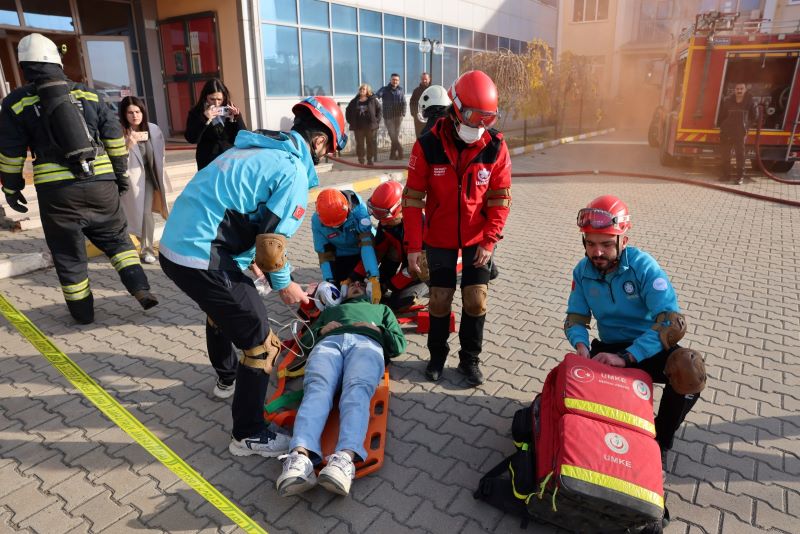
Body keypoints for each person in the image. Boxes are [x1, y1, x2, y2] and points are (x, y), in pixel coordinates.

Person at [159, 95, 348, 457]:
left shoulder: (254, 149)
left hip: (177, 246)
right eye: (328, 149)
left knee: (229, 309)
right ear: (321, 141)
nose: (324, 157)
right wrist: (287, 287)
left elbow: (238, 212)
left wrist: (254, 265)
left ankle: (226, 379)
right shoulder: (292, 169)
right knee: (263, 344)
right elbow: (271, 246)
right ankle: (248, 434)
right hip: (202, 253)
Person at [0, 33, 158, 324]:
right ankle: (140, 289)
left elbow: (10, 153)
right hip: (101, 184)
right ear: (58, 62)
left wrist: (11, 187)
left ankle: (83, 315)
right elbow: (114, 139)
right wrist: (120, 174)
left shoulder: (16, 102)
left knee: (68, 255)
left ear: (24, 67)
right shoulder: (89, 94)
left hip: (58, 195)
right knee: (118, 241)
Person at [564, 194, 706, 476]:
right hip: (607, 349)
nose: (598, 253)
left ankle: (660, 441)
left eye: (606, 244)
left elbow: (671, 322)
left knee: (689, 367)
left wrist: (629, 356)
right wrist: (580, 345)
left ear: (623, 241)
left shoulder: (643, 267)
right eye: (591, 243)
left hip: (647, 349)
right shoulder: (582, 271)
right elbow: (576, 318)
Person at [403, 70, 512, 386]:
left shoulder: (495, 147)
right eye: (474, 117)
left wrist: (490, 241)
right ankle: (436, 357)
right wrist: (413, 247)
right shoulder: (427, 146)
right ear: (456, 107)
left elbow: (500, 198)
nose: (479, 127)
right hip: (439, 237)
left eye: (487, 120)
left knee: (476, 298)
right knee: (439, 298)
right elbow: (412, 199)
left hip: (479, 238)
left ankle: (470, 360)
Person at [276, 279, 407, 497]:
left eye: (361, 283)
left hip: (367, 343)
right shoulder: (331, 311)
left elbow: (398, 345)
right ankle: (300, 457)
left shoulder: (382, 309)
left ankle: (344, 460)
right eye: (351, 283)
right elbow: (306, 341)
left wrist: (377, 329)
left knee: (356, 391)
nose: (356, 284)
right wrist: (320, 331)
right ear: (343, 292)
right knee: (317, 390)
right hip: (329, 343)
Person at [357, 180, 428, 312]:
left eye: (383, 214)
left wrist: (388, 285)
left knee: (398, 303)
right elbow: (377, 252)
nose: (380, 220)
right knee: (378, 293)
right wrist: (356, 276)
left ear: (399, 208)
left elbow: (416, 269)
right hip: (407, 257)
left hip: (426, 267)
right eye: (376, 212)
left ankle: (427, 288)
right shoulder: (386, 222)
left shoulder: (421, 224)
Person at [118, 96, 172, 264]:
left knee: (146, 213)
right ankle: (127, 245)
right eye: (130, 112)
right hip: (131, 180)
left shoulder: (153, 130)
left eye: (137, 111)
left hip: (151, 178)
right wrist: (128, 145)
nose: (135, 115)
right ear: (124, 115)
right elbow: (116, 160)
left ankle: (147, 249)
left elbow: (160, 154)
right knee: (133, 214)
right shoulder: (119, 133)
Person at [312, 188, 382, 304]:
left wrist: (374, 278)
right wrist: (330, 283)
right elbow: (324, 254)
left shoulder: (359, 211)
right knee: (340, 292)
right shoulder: (317, 221)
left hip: (363, 251)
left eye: (340, 223)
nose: (337, 227)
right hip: (341, 254)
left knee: (366, 288)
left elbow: (366, 244)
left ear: (347, 210)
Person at [184, 78, 247, 170]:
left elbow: (243, 136)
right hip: (207, 160)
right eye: (212, 99)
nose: (216, 103)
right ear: (205, 97)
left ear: (224, 97)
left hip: (229, 158)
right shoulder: (196, 112)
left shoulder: (230, 110)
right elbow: (192, 138)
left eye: (219, 99)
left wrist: (236, 118)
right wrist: (204, 119)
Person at [718, 82, 757, 185]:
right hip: (727, 131)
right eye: (737, 88)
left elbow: (755, 116)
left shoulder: (750, 101)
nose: (739, 90)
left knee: (740, 155)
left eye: (741, 88)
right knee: (725, 154)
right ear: (734, 90)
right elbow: (722, 115)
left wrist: (746, 126)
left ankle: (740, 177)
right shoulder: (728, 101)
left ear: (745, 90)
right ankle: (726, 175)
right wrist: (723, 126)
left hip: (740, 132)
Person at [345, 84, 381, 166]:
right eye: (360, 89)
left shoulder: (372, 100)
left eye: (364, 89)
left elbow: (379, 110)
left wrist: (377, 121)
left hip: (370, 127)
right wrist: (350, 121)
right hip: (358, 127)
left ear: (367, 90)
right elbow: (348, 110)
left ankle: (369, 160)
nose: (362, 90)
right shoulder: (354, 101)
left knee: (370, 143)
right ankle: (361, 159)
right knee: (360, 144)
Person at [376, 73, 406, 160]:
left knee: (395, 136)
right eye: (393, 79)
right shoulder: (384, 89)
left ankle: (392, 156)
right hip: (388, 117)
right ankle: (400, 150)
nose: (395, 81)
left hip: (398, 117)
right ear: (390, 80)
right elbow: (377, 95)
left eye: (396, 80)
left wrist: (403, 113)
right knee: (392, 135)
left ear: (399, 81)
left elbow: (404, 103)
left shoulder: (400, 90)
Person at [409, 72, 431, 138]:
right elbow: (411, 103)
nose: (424, 81)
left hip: (430, 118)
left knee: (429, 135)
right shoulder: (416, 91)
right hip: (418, 119)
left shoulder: (432, 90)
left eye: (426, 79)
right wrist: (414, 114)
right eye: (422, 79)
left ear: (429, 79)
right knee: (419, 135)